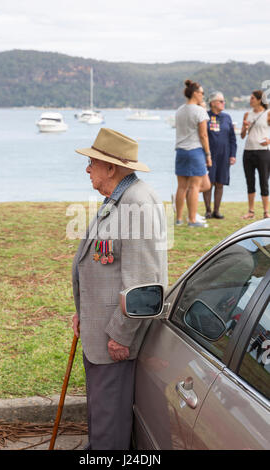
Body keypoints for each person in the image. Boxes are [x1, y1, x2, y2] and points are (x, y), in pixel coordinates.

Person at [71, 128, 168, 450]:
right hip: (100, 331)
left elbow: (143, 281)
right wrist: (82, 313)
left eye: (92, 163)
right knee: (103, 414)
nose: (87, 169)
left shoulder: (138, 203)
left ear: (111, 167)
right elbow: (105, 265)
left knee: (110, 425)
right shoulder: (119, 199)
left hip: (114, 336)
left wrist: (121, 334)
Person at [175, 79, 212, 227]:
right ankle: (192, 220)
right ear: (195, 93)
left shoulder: (179, 110)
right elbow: (203, 135)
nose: (203, 95)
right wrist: (208, 155)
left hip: (180, 151)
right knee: (195, 187)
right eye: (202, 93)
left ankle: (178, 219)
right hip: (195, 150)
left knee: (182, 187)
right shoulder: (200, 111)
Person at [203, 91, 237, 219]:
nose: (223, 103)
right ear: (212, 103)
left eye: (224, 101)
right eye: (221, 101)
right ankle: (208, 210)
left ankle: (216, 211)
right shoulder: (205, 116)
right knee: (208, 183)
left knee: (220, 183)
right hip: (210, 156)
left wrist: (233, 155)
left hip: (224, 156)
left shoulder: (227, 117)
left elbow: (232, 138)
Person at [241, 90, 270, 219]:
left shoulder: (268, 114)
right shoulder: (247, 114)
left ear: (259, 100)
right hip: (248, 151)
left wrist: (269, 140)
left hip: (263, 152)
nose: (250, 100)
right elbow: (242, 136)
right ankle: (251, 211)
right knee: (250, 181)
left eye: (252, 98)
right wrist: (244, 127)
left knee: (264, 181)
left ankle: (266, 212)